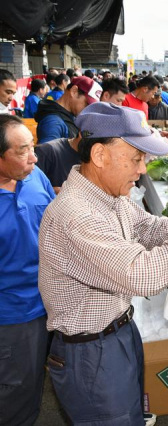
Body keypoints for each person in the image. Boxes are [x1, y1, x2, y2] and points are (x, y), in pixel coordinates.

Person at [38, 103, 168, 425]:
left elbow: (149, 229)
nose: (143, 170)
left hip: (118, 333)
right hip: (91, 352)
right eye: (136, 159)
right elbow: (143, 274)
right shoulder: (76, 215)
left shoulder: (110, 196)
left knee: (130, 416)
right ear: (100, 156)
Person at [0, 115, 56, 425]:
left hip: (51, 299)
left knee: (36, 378)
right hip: (14, 316)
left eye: (32, 147)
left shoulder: (34, 176)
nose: (33, 157)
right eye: (22, 150)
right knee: (16, 389)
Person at [35, 76, 101, 143]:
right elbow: (47, 152)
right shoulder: (53, 123)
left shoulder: (69, 115)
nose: (88, 110)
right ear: (74, 91)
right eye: (87, 104)